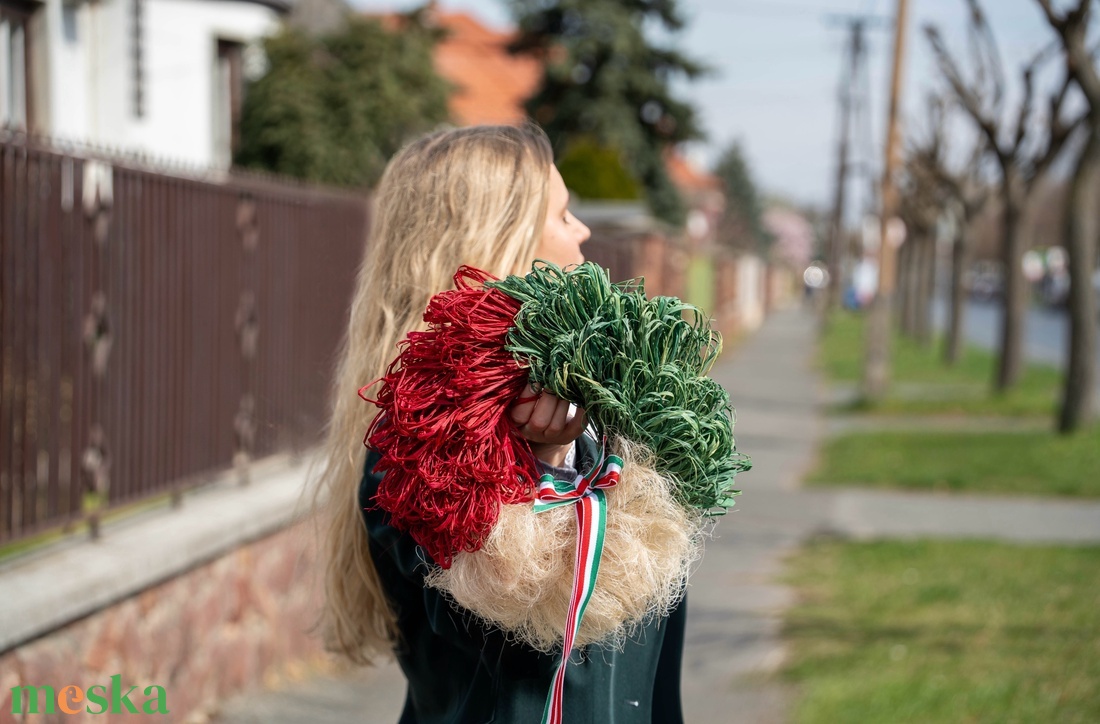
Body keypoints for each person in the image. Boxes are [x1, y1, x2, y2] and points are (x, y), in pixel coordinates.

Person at [315, 123, 687, 723]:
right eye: (564, 215)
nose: (583, 231)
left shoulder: (600, 414)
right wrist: (548, 468)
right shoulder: (413, 452)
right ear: (505, 243)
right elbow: (538, 618)